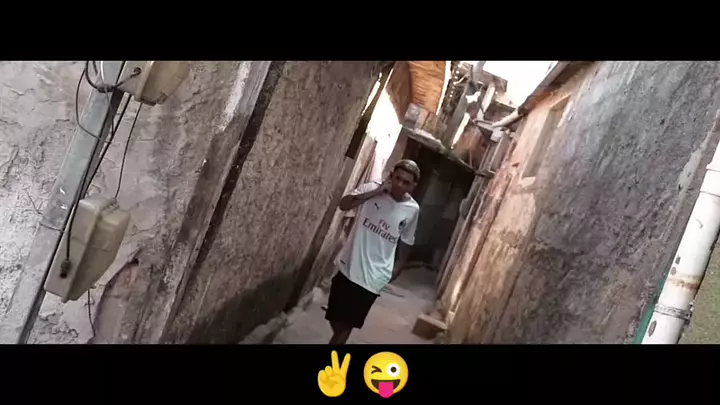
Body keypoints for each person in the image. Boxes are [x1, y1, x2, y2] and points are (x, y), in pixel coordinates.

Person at [325, 159, 421, 344]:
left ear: (413, 186)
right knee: (335, 317)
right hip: (349, 265)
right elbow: (344, 204)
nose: (399, 184)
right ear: (390, 176)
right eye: (397, 178)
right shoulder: (372, 188)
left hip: (375, 276)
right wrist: (376, 192)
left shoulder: (413, 209)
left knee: (347, 325)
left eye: (406, 182)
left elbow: (407, 239)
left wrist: (399, 265)